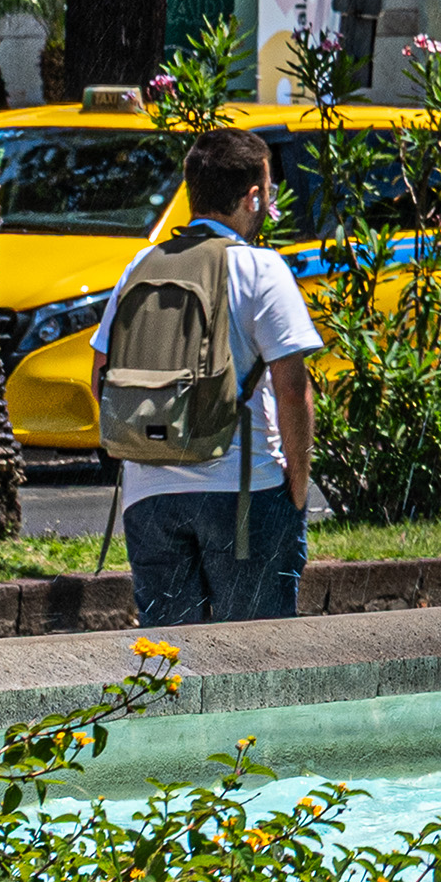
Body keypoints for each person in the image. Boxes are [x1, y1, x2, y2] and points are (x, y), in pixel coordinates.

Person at [91, 129, 319, 626]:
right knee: (257, 665)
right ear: (253, 196)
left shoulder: (142, 264)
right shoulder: (261, 269)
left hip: (147, 498)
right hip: (242, 492)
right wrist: (297, 490)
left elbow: (101, 377)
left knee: (172, 666)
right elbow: (292, 391)